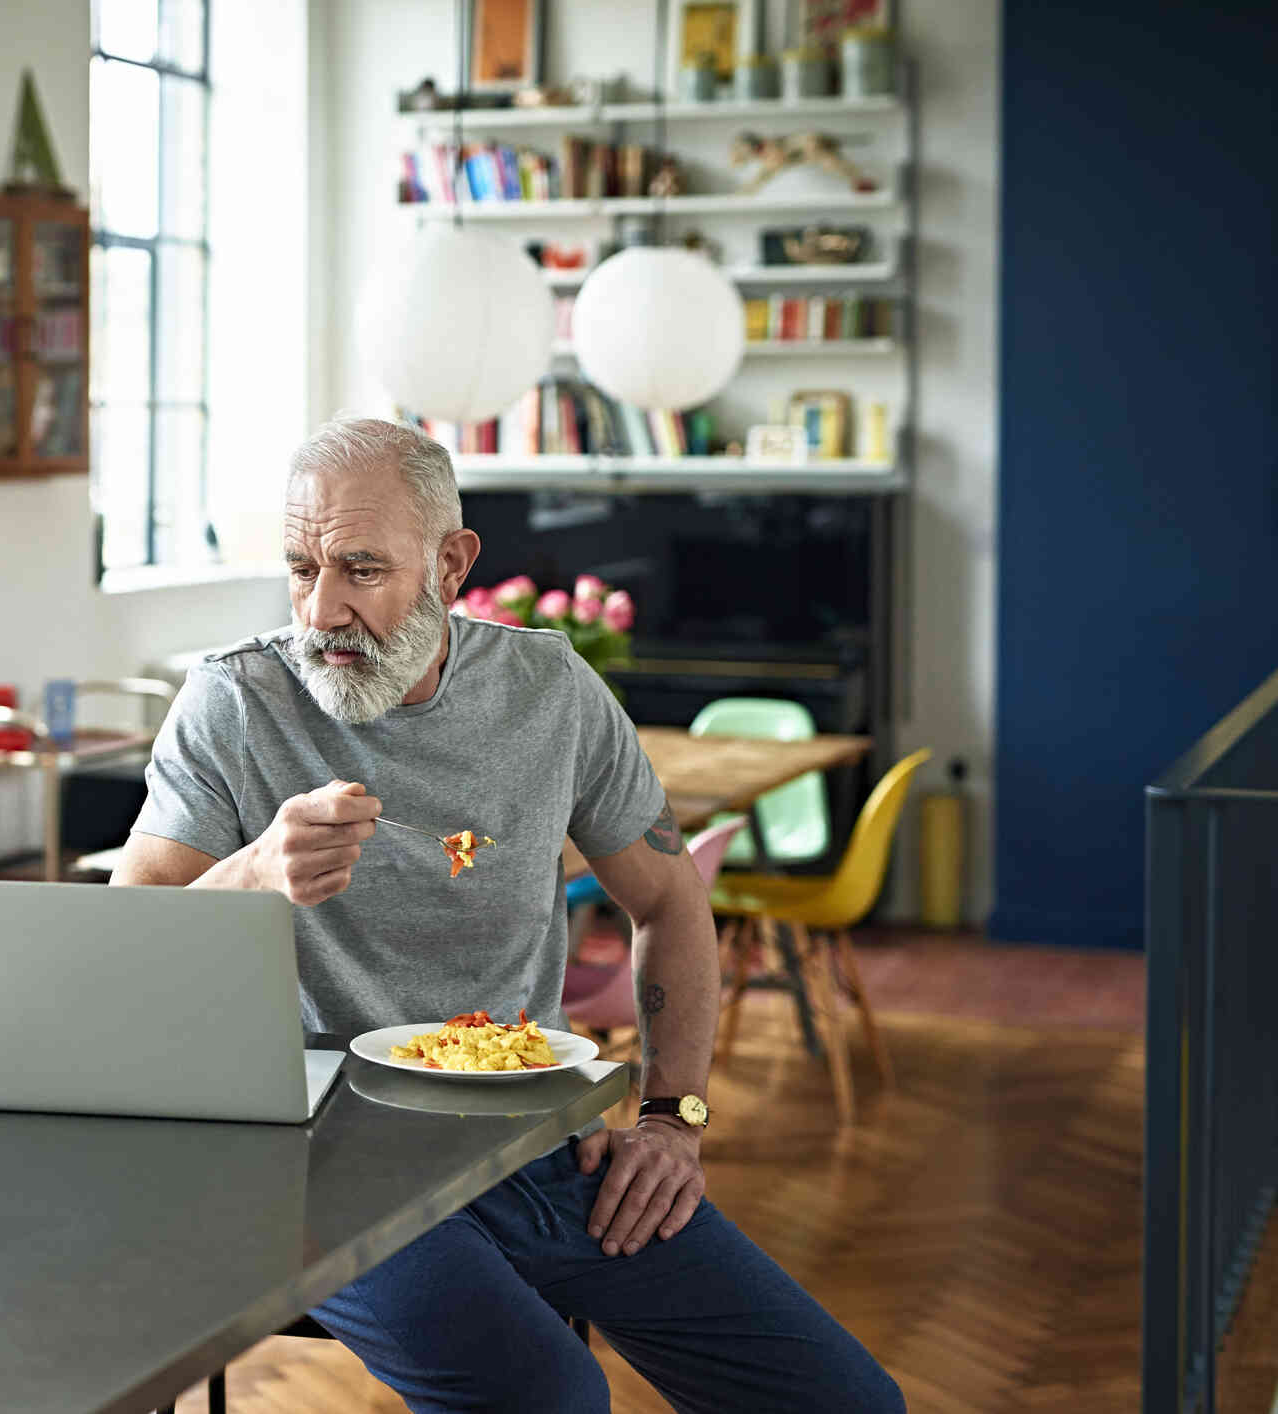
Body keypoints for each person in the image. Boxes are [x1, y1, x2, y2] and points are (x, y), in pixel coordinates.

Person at [113, 417, 904, 1412]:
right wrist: (255, 872)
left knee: (843, 1400)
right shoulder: (234, 699)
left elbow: (667, 898)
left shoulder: (550, 689)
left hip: (534, 1144)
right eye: (300, 567)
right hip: (317, 1166)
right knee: (547, 1396)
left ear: (450, 562)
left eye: (361, 568)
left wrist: (671, 1118)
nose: (324, 608)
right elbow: (128, 935)